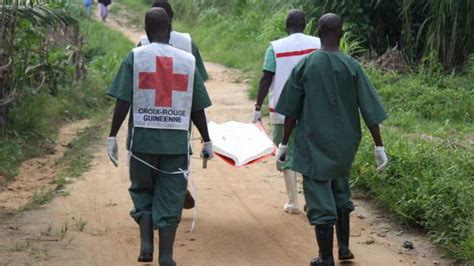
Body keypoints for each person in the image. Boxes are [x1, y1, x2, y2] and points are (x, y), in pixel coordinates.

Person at [275, 13, 389, 266]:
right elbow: (369, 109)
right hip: (344, 146)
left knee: (319, 199)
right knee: (341, 190)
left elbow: (291, 111)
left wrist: (283, 144)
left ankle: (325, 257)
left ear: (318, 31)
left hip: (314, 145)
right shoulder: (352, 66)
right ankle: (344, 248)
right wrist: (379, 146)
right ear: (341, 32)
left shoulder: (306, 65)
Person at [106, 7, 213, 265]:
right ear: (170, 28)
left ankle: (145, 244)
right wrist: (207, 139)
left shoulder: (136, 56)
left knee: (142, 189)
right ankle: (166, 256)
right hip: (176, 143)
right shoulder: (187, 61)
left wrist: (112, 136)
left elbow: (123, 99)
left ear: (145, 30)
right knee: (172, 194)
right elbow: (197, 106)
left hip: (142, 141)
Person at [252, 10, 320, 214]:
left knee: (285, 151)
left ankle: (293, 202)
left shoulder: (276, 47)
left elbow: (266, 77)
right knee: (310, 153)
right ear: (306, 25)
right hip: (313, 109)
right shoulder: (318, 44)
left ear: (286, 26)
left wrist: (257, 106)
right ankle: (312, 200)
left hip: (283, 110)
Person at [139, 0, 208, 82]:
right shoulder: (188, 43)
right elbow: (200, 78)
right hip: (181, 94)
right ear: (172, 15)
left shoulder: (143, 44)